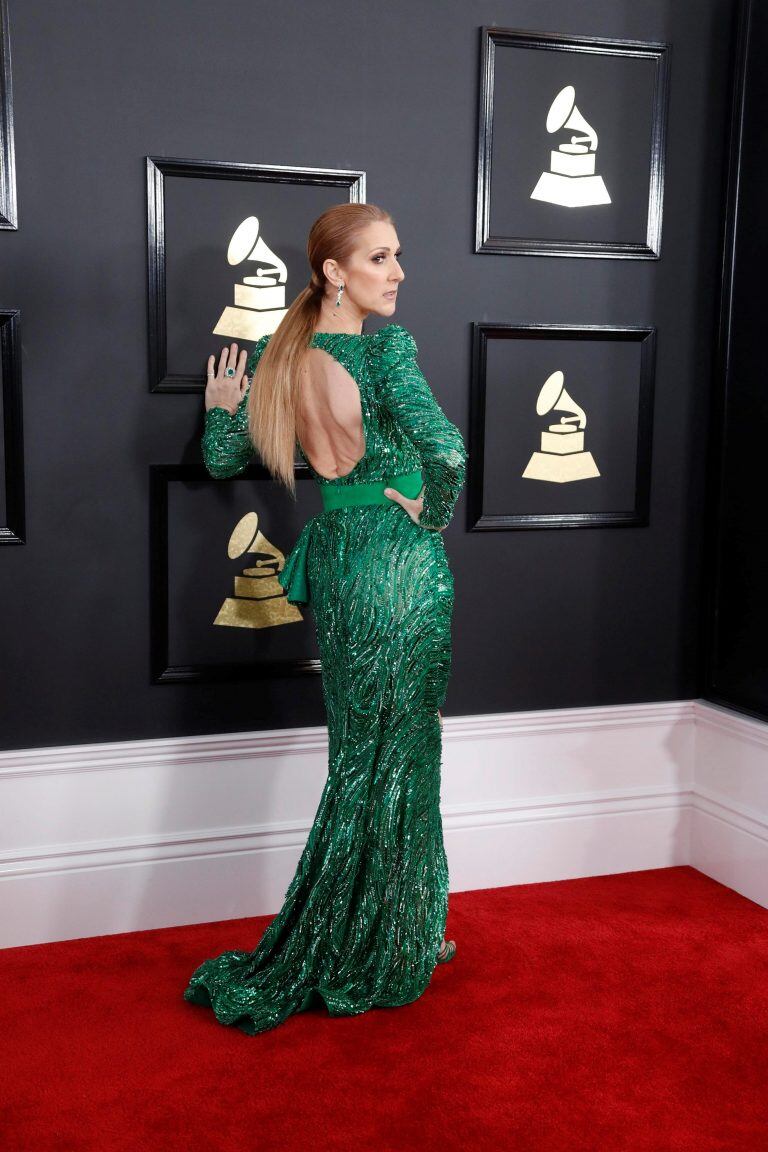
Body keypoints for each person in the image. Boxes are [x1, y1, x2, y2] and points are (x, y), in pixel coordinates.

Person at [183, 203, 467, 1035]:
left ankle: (384, 927)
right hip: (397, 559)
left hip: (339, 561)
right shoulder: (386, 353)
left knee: (359, 753)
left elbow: (223, 458)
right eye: (381, 257)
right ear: (335, 272)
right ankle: (382, 941)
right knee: (404, 750)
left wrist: (220, 403)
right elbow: (447, 451)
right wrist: (430, 511)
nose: (399, 271)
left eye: (398, 254)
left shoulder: (282, 357)